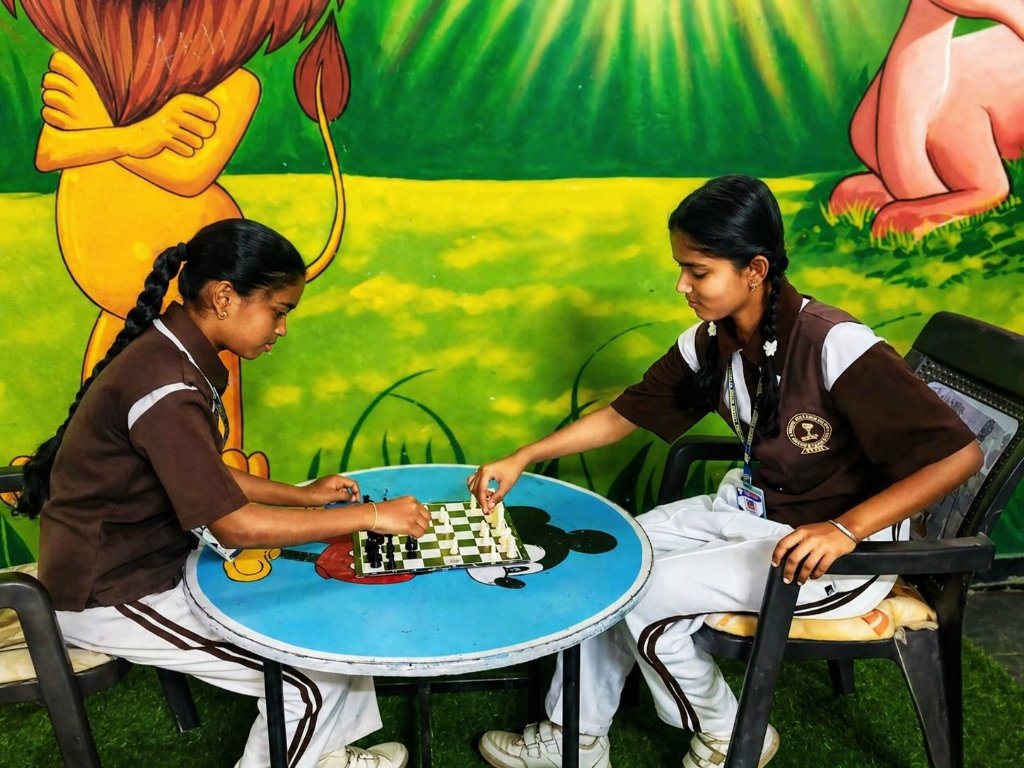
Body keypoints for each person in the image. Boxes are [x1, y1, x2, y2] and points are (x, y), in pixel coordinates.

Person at [467, 175, 983, 768]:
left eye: (698, 270)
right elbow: (622, 416)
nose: (682, 285)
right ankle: (571, 740)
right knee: (608, 564)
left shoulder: (833, 344)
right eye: (681, 268)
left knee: (638, 597)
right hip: (750, 512)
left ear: (755, 269)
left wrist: (844, 530)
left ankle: (730, 734)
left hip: (829, 554)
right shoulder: (712, 339)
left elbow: (959, 455)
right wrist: (524, 455)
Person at [15, 218, 432, 768]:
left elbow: (200, 471)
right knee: (303, 681)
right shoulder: (165, 385)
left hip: (155, 559)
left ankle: (325, 755)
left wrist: (302, 495)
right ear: (225, 297)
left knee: (330, 635)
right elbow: (232, 524)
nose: (281, 329)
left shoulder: (174, 355)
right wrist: (371, 516)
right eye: (279, 311)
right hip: (113, 589)